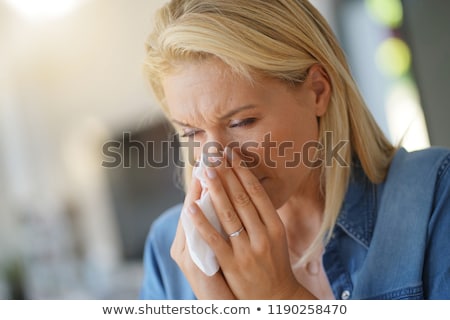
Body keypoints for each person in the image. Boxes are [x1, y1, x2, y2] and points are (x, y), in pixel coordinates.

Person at [139, 0, 450, 300]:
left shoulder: (434, 197)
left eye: (242, 122)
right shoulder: (169, 251)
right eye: (193, 132)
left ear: (317, 91)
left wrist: (279, 297)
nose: (217, 160)